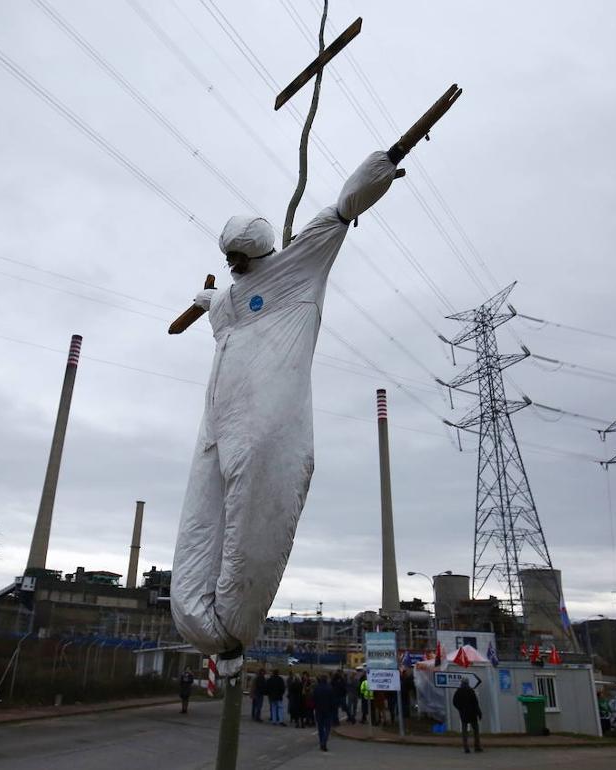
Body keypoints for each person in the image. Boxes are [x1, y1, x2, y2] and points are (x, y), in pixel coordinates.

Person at [170, 147, 405, 671]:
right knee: (201, 518)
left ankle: (233, 628)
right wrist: (203, 301)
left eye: (242, 259)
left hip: (266, 418)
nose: (237, 267)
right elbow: (216, 304)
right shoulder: (231, 299)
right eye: (231, 260)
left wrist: (384, 165)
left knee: (258, 509)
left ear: (259, 253)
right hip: (217, 422)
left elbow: (340, 211)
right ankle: (196, 620)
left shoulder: (298, 266)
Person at [452, 679, 482, 753]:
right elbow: (476, 704)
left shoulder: (458, 692)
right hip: (472, 714)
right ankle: (477, 746)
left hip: (463, 714)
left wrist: (460, 709)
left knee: (464, 731)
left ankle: (466, 747)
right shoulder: (471, 691)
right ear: (468, 683)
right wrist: (479, 713)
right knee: (476, 731)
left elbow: (454, 702)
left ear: (461, 683)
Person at [313, 674, 337, 751]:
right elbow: (333, 701)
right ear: (326, 680)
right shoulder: (330, 688)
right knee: (327, 728)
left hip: (319, 710)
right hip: (328, 710)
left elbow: (314, 699)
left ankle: (321, 742)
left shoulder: (316, 688)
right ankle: (324, 742)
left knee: (320, 728)